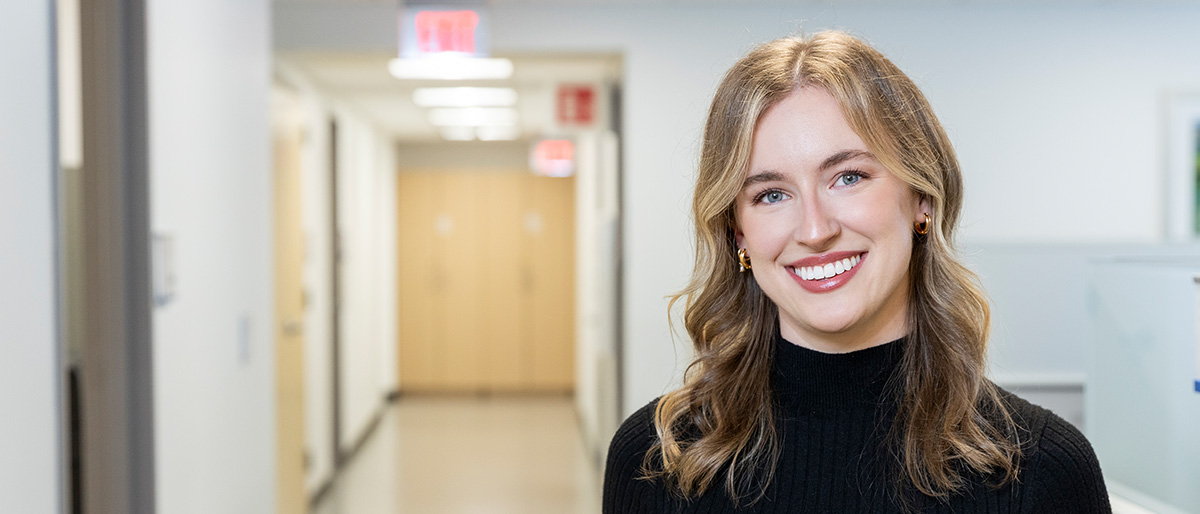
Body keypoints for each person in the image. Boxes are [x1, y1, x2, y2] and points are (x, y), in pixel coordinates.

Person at [602, 31, 1111, 513]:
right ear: (738, 233)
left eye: (848, 177)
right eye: (771, 194)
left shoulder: (1042, 470)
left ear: (922, 198)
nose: (815, 229)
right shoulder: (655, 463)